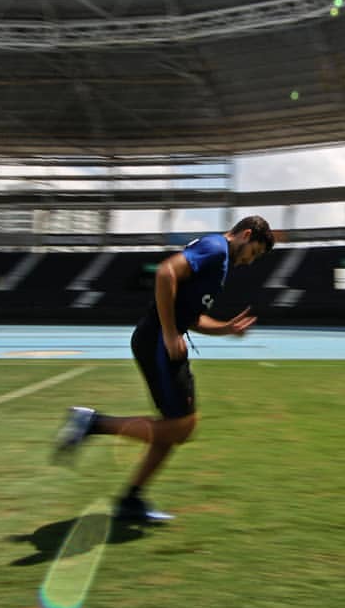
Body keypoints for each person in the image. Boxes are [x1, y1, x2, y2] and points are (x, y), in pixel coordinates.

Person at [53, 215, 275, 522]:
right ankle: (92, 423)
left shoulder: (219, 262)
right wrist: (170, 333)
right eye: (255, 252)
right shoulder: (215, 248)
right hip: (159, 341)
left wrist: (226, 328)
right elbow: (165, 273)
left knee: (175, 427)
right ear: (246, 234)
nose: (251, 261)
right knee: (182, 426)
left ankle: (131, 499)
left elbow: (194, 317)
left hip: (160, 340)